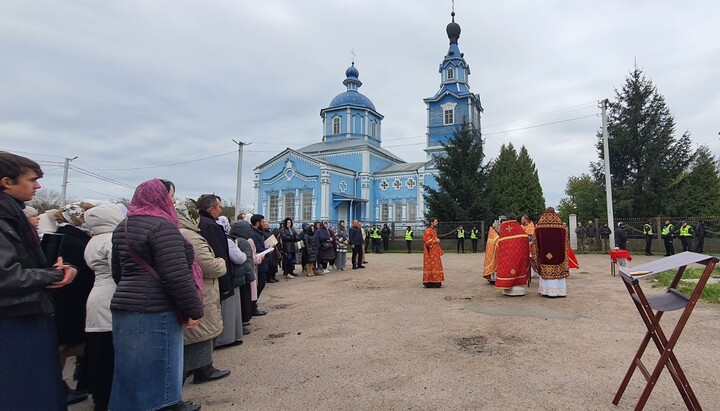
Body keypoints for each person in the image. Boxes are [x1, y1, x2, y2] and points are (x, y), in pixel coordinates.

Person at [109, 179, 203, 411]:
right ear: (159, 198)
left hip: (125, 305)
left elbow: (117, 271)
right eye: (170, 195)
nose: (172, 200)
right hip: (156, 310)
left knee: (131, 370)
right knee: (162, 369)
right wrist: (194, 309)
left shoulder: (124, 226)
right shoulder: (162, 227)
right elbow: (176, 275)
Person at [1, 152, 77, 410]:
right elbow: (6, 275)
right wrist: (53, 275)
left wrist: (60, 269)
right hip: (13, 319)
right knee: (24, 394)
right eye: (32, 180)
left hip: (26, 311)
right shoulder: (4, 219)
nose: (38, 186)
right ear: (6, 182)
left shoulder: (13, 216)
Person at [176, 198, 231, 385]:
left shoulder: (183, 232)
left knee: (198, 329)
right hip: (201, 288)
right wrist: (221, 263)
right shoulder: (190, 235)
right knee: (201, 328)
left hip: (195, 287)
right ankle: (201, 369)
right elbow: (208, 264)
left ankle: (199, 368)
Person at [51, 202, 96, 404]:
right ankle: (57, 388)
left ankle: (75, 383)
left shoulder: (65, 236)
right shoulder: (72, 240)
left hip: (70, 300)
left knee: (69, 345)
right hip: (72, 300)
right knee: (62, 347)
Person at [83, 204, 125, 411]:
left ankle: (100, 394)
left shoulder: (92, 241)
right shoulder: (111, 240)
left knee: (99, 349)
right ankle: (111, 396)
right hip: (112, 295)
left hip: (97, 295)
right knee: (111, 351)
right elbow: (119, 269)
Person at [214, 215, 248, 347]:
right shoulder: (228, 240)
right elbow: (240, 258)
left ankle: (229, 335)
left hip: (228, 275)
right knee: (229, 309)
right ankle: (228, 337)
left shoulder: (223, 238)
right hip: (231, 277)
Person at [196, 194, 233, 302]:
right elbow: (219, 252)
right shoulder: (210, 226)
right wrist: (225, 285)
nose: (220, 211)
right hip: (212, 278)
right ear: (211, 209)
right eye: (219, 207)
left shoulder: (199, 222)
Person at [531, 208, 570, 297]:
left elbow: (534, 243)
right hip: (558, 257)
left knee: (545, 268)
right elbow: (566, 243)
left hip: (544, 257)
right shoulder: (561, 228)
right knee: (558, 266)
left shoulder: (538, 227)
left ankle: (546, 291)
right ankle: (560, 291)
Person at [228, 220, 258, 334]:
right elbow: (246, 260)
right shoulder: (243, 242)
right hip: (244, 275)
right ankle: (243, 322)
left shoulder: (235, 240)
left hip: (241, 275)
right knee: (244, 299)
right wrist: (250, 275)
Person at [496, 213, 530, 296]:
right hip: (517, 256)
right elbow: (525, 238)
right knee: (518, 269)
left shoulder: (504, 229)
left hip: (507, 257)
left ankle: (508, 289)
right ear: (516, 218)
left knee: (508, 268)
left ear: (507, 218)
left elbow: (499, 243)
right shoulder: (518, 228)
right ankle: (518, 290)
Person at [249, 214, 270, 314]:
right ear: (257, 223)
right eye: (262, 222)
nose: (264, 223)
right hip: (258, 263)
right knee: (258, 285)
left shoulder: (259, 233)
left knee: (261, 284)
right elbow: (258, 249)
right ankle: (252, 307)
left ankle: (253, 306)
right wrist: (267, 250)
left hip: (262, 262)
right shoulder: (253, 234)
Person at [422, 217, 445, 288]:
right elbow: (427, 241)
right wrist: (436, 241)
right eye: (435, 222)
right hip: (430, 253)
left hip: (434, 252)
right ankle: (429, 282)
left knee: (436, 266)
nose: (437, 223)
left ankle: (435, 281)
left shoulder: (433, 230)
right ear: (431, 222)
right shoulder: (428, 231)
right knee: (431, 266)